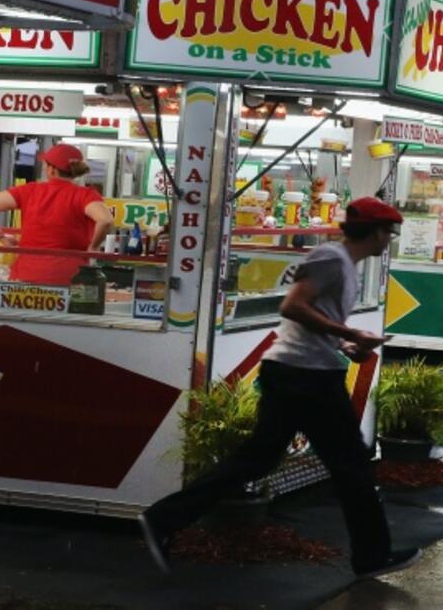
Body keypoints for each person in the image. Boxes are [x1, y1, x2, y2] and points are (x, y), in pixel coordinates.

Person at [138, 198, 421, 579]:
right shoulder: (331, 259)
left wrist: (345, 345)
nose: (389, 239)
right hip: (306, 377)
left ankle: (162, 519)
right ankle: (372, 555)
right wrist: (348, 332)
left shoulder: (343, 265)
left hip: (299, 371)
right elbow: (293, 306)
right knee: (351, 465)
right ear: (374, 232)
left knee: (260, 460)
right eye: (388, 232)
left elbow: (312, 319)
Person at [0, 143, 114, 286]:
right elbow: (105, 220)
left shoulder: (30, 190)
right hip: (70, 277)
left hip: (26, 274)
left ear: (51, 170)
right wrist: (93, 247)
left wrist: (2, 238)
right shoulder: (85, 195)